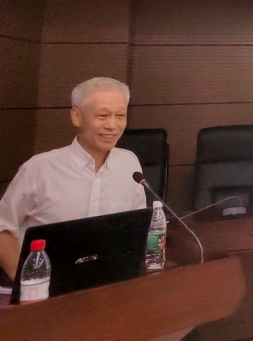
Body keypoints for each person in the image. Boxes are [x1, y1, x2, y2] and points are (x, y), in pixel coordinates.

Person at [0, 77, 146, 279]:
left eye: (120, 115)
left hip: (108, 281)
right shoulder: (39, 169)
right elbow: (2, 227)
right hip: (47, 284)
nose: (112, 125)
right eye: (102, 115)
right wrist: (24, 280)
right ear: (76, 117)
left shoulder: (129, 163)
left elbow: (136, 227)